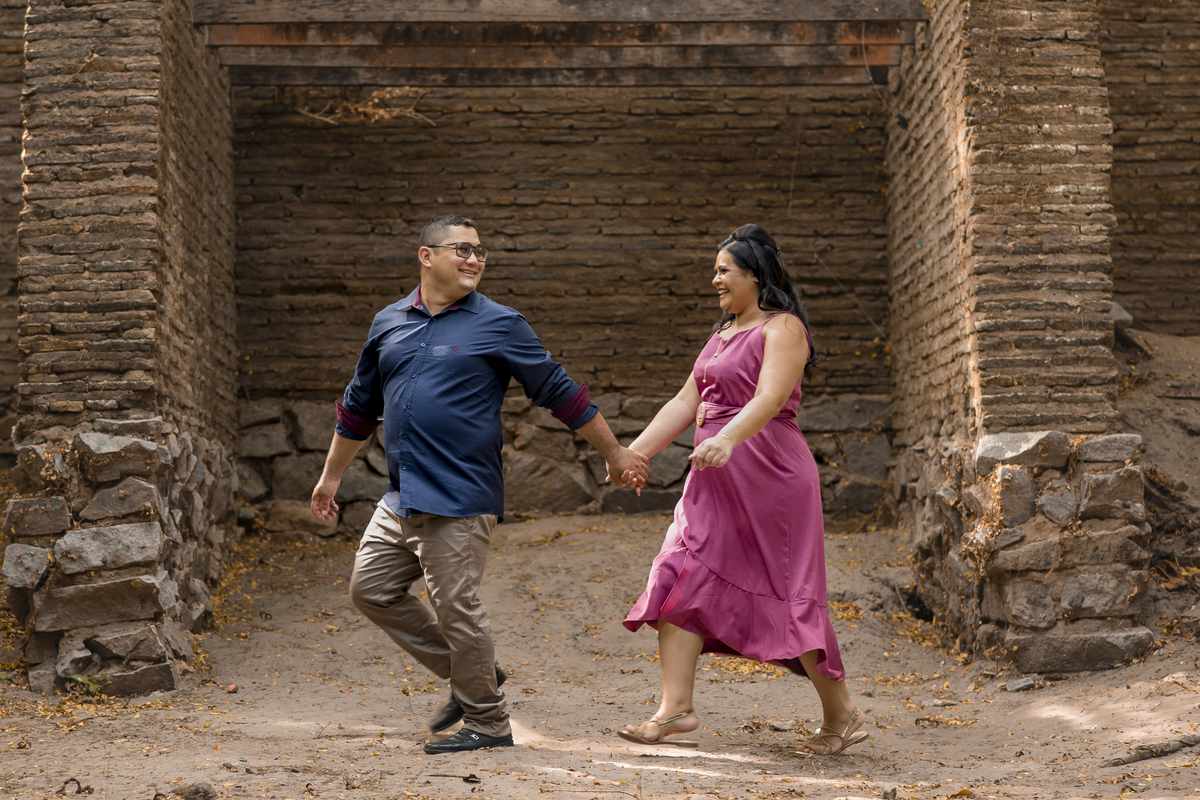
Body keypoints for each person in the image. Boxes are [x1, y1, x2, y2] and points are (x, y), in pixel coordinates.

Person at [311, 215, 648, 755]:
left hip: (461, 496)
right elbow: (358, 407)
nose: (474, 259)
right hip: (401, 495)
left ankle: (488, 721)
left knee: (456, 608)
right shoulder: (388, 322)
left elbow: (559, 391)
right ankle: (476, 672)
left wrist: (614, 451)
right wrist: (330, 477)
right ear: (426, 256)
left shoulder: (500, 323)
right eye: (462, 249)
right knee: (370, 589)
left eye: (480, 252)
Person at [616, 224, 867, 756]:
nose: (715, 279)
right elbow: (685, 402)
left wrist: (728, 436)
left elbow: (770, 397)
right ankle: (675, 709)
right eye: (715, 270)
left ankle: (841, 714)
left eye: (724, 269)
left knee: (787, 593)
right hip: (714, 479)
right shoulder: (723, 332)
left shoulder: (784, 328)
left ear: (755, 275)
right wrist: (634, 453)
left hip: (771, 475)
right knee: (678, 571)